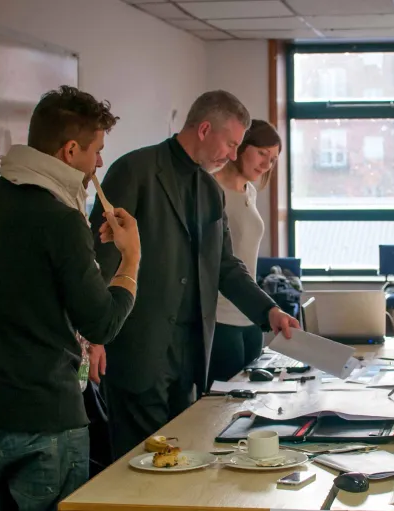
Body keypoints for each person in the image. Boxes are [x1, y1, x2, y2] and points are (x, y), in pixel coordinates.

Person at [0, 86, 140, 510]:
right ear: (70, 151)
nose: (100, 162)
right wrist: (130, 260)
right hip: (47, 418)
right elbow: (101, 323)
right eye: (96, 151)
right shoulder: (61, 220)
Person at [89, 90, 299, 460]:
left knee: (184, 461)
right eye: (231, 144)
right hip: (138, 350)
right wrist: (93, 334)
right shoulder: (135, 170)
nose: (233, 155)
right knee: (136, 469)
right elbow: (101, 259)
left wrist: (269, 312)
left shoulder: (209, 189)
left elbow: (225, 265)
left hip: (189, 357)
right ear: (204, 129)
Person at [208, 120, 281, 383]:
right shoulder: (211, 189)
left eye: (272, 159)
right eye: (262, 153)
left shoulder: (250, 191)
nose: (266, 164)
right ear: (240, 146)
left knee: (252, 399)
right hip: (220, 317)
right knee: (221, 405)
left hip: (251, 315)